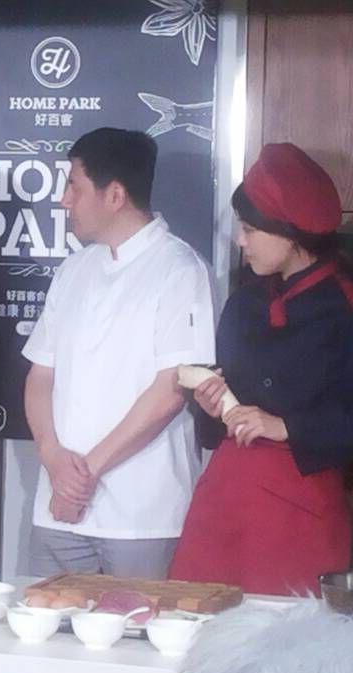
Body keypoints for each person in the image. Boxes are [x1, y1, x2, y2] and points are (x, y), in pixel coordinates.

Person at [169, 143, 353, 595]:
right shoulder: (244, 302)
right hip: (224, 495)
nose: (241, 242)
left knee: (283, 632)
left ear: (289, 232)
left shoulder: (352, 308)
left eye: (249, 230)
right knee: (194, 619)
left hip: (299, 509)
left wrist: (284, 426)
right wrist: (211, 405)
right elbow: (218, 425)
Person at [22, 127, 215, 579]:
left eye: (74, 186)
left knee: (137, 624)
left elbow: (172, 390)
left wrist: (82, 476)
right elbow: (40, 375)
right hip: (58, 509)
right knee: (45, 622)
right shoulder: (73, 270)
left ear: (115, 195)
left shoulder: (180, 269)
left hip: (141, 514)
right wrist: (52, 456)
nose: (64, 200)